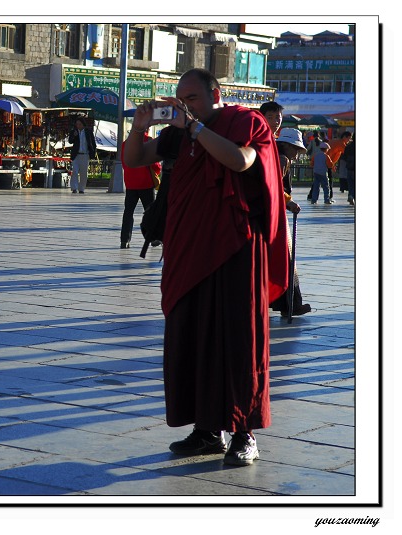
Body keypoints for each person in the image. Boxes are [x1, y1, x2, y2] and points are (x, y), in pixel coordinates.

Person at [123, 68, 288, 466]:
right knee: (191, 336)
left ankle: (244, 432)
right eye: (180, 97)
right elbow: (134, 158)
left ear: (216, 95)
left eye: (192, 97)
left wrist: (195, 129)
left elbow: (242, 160)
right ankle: (206, 430)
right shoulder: (178, 133)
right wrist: (139, 127)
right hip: (189, 248)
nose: (184, 104)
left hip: (235, 250)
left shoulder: (245, 122)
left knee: (237, 340)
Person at [269, 128, 312, 317]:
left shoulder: (273, 155)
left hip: (274, 212)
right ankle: (290, 304)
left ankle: (289, 304)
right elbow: (274, 187)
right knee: (286, 260)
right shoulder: (281, 159)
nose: (295, 156)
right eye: (295, 150)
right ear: (285, 146)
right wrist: (289, 202)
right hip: (276, 215)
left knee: (284, 260)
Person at [120, 133, 161, 249]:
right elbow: (155, 162)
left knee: (128, 212)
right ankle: (153, 238)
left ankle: (124, 240)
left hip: (131, 182)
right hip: (145, 182)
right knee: (150, 211)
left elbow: (124, 162)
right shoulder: (148, 140)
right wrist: (157, 172)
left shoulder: (125, 144)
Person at [67, 117, 97, 194]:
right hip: (76, 155)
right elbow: (70, 141)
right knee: (75, 171)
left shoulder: (88, 132)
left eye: (80, 124)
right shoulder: (74, 131)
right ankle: (74, 187)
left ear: (83, 124)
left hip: (85, 155)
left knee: (84, 172)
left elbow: (92, 143)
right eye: (77, 124)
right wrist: (74, 135)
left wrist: (92, 154)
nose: (78, 126)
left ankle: (81, 188)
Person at [343, 134, 356, 205]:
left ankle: (350, 195)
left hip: (349, 167)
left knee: (350, 183)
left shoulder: (348, 146)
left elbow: (344, 156)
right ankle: (352, 196)